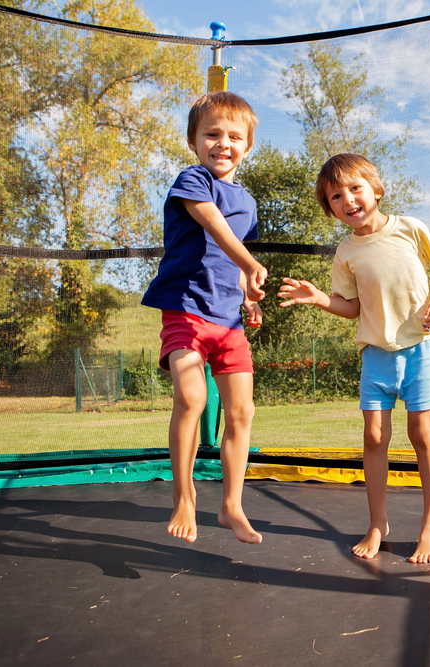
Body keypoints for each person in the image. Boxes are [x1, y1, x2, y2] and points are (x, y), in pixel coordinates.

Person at [277, 153, 430, 563]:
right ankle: (378, 522)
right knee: (374, 436)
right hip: (376, 352)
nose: (348, 199)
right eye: (336, 196)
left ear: (376, 189)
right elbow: (351, 306)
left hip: (418, 347)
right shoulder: (346, 253)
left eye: (354, 188)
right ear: (331, 208)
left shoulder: (409, 228)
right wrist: (320, 298)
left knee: (422, 434)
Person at [141, 91, 266, 545]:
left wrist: (248, 296)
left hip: (228, 321)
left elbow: (237, 260)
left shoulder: (248, 202)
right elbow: (212, 223)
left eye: (234, 136)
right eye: (211, 134)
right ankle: (185, 496)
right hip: (187, 310)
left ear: (247, 146)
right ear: (193, 141)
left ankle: (232, 503)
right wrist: (251, 264)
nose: (223, 143)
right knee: (191, 399)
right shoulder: (193, 180)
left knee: (242, 411)